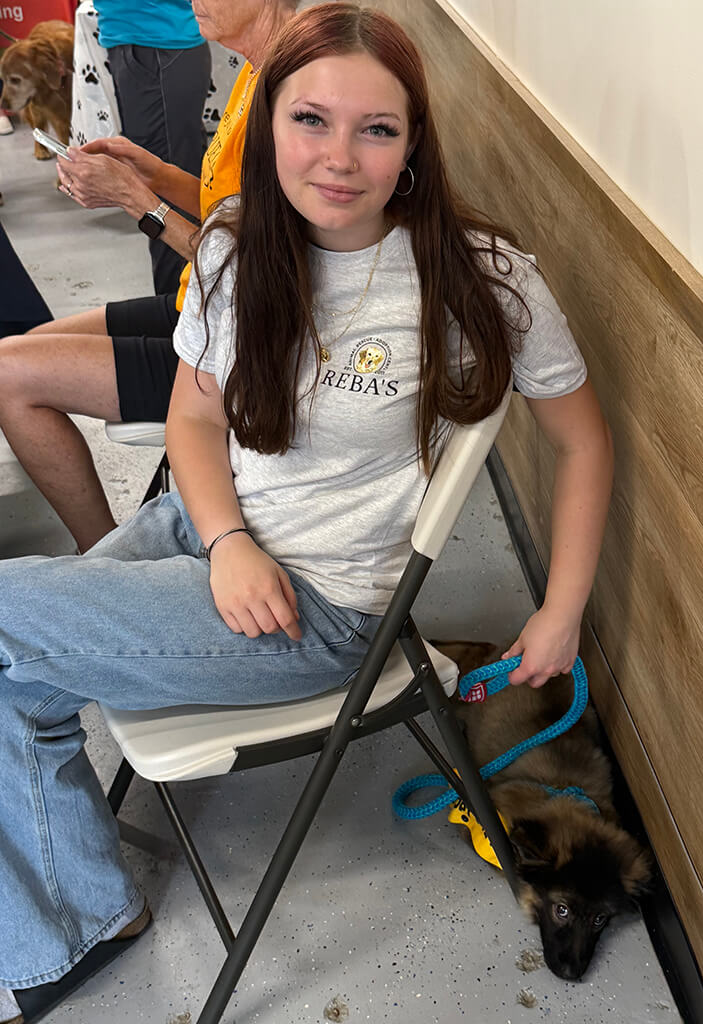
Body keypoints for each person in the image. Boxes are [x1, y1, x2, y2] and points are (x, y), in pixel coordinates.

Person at [0, 3, 612, 1020]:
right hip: (219, 538)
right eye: (310, 121)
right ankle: (72, 916)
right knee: (16, 656)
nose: (339, 157)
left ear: (413, 145)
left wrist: (562, 610)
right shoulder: (239, 244)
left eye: (376, 129)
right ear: (267, 119)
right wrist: (230, 538)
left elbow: (581, 438)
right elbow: (196, 415)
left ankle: (63, 921)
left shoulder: (483, 279)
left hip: (321, 611)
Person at [0, 0, 300, 554]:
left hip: (237, 344)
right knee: (21, 348)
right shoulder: (256, 71)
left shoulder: (294, 95)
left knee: (6, 375)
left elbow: (256, 274)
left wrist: (141, 203)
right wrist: (153, 171)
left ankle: (102, 556)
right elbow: (226, 208)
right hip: (202, 308)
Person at [93, 0, 211, 295]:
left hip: (156, 42)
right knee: (171, 185)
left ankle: (177, 315)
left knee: (165, 197)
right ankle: (183, 310)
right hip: (148, 40)